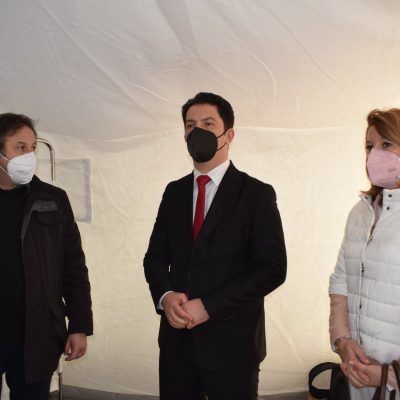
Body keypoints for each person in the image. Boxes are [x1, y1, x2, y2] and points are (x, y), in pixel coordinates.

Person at [144, 92, 287, 400]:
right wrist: (166, 296)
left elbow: (272, 269)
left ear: (228, 135)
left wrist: (209, 306)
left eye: (208, 124)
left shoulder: (256, 194)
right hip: (177, 344)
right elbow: (154, 258)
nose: (198, 131)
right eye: (190, 125)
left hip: (233, 347)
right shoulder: (173, 192)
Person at [0, 113, 93, 400]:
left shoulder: (53, 199)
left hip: (36, 335)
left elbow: (74, 267)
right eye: (20, 147)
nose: (29, 156)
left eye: (32, 148)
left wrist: (79, 326)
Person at [329, 108, 400, 399]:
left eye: (387, 144)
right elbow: (340, 281)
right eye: (370, 146)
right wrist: (343, 342)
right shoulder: (359, 212)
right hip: (358, 370)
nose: (375, 154)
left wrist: (389, 375)